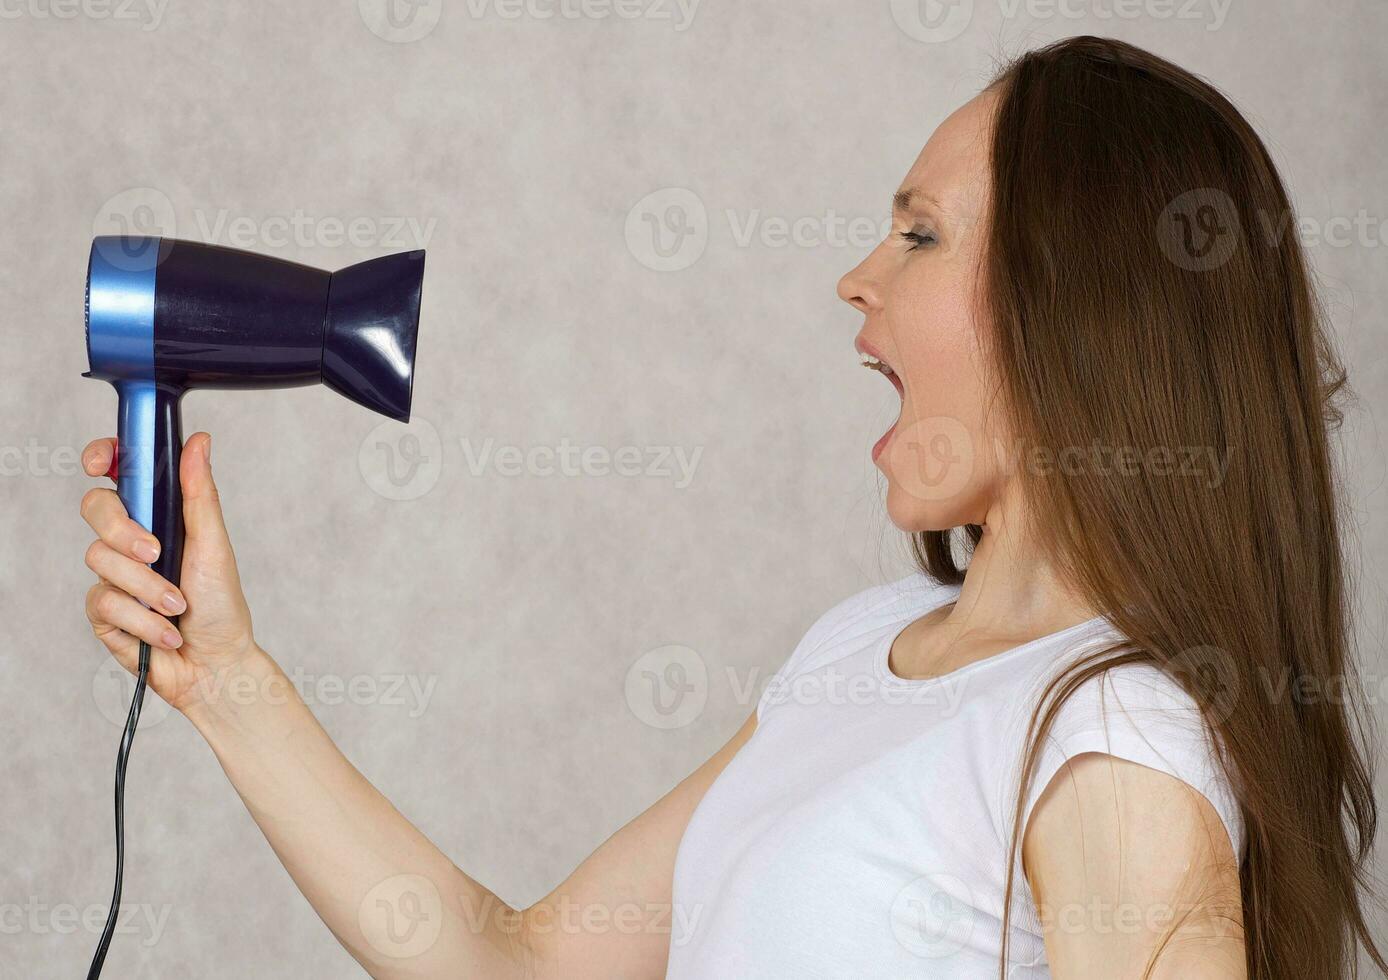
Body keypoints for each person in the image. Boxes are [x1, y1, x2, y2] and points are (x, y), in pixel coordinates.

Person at [77, 36, 1383, 980]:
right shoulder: (862, 650)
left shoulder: (1112, 738)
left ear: (1079, 308)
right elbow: (518, 966)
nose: (855, 278)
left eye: (920, 235)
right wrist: (227, 680)